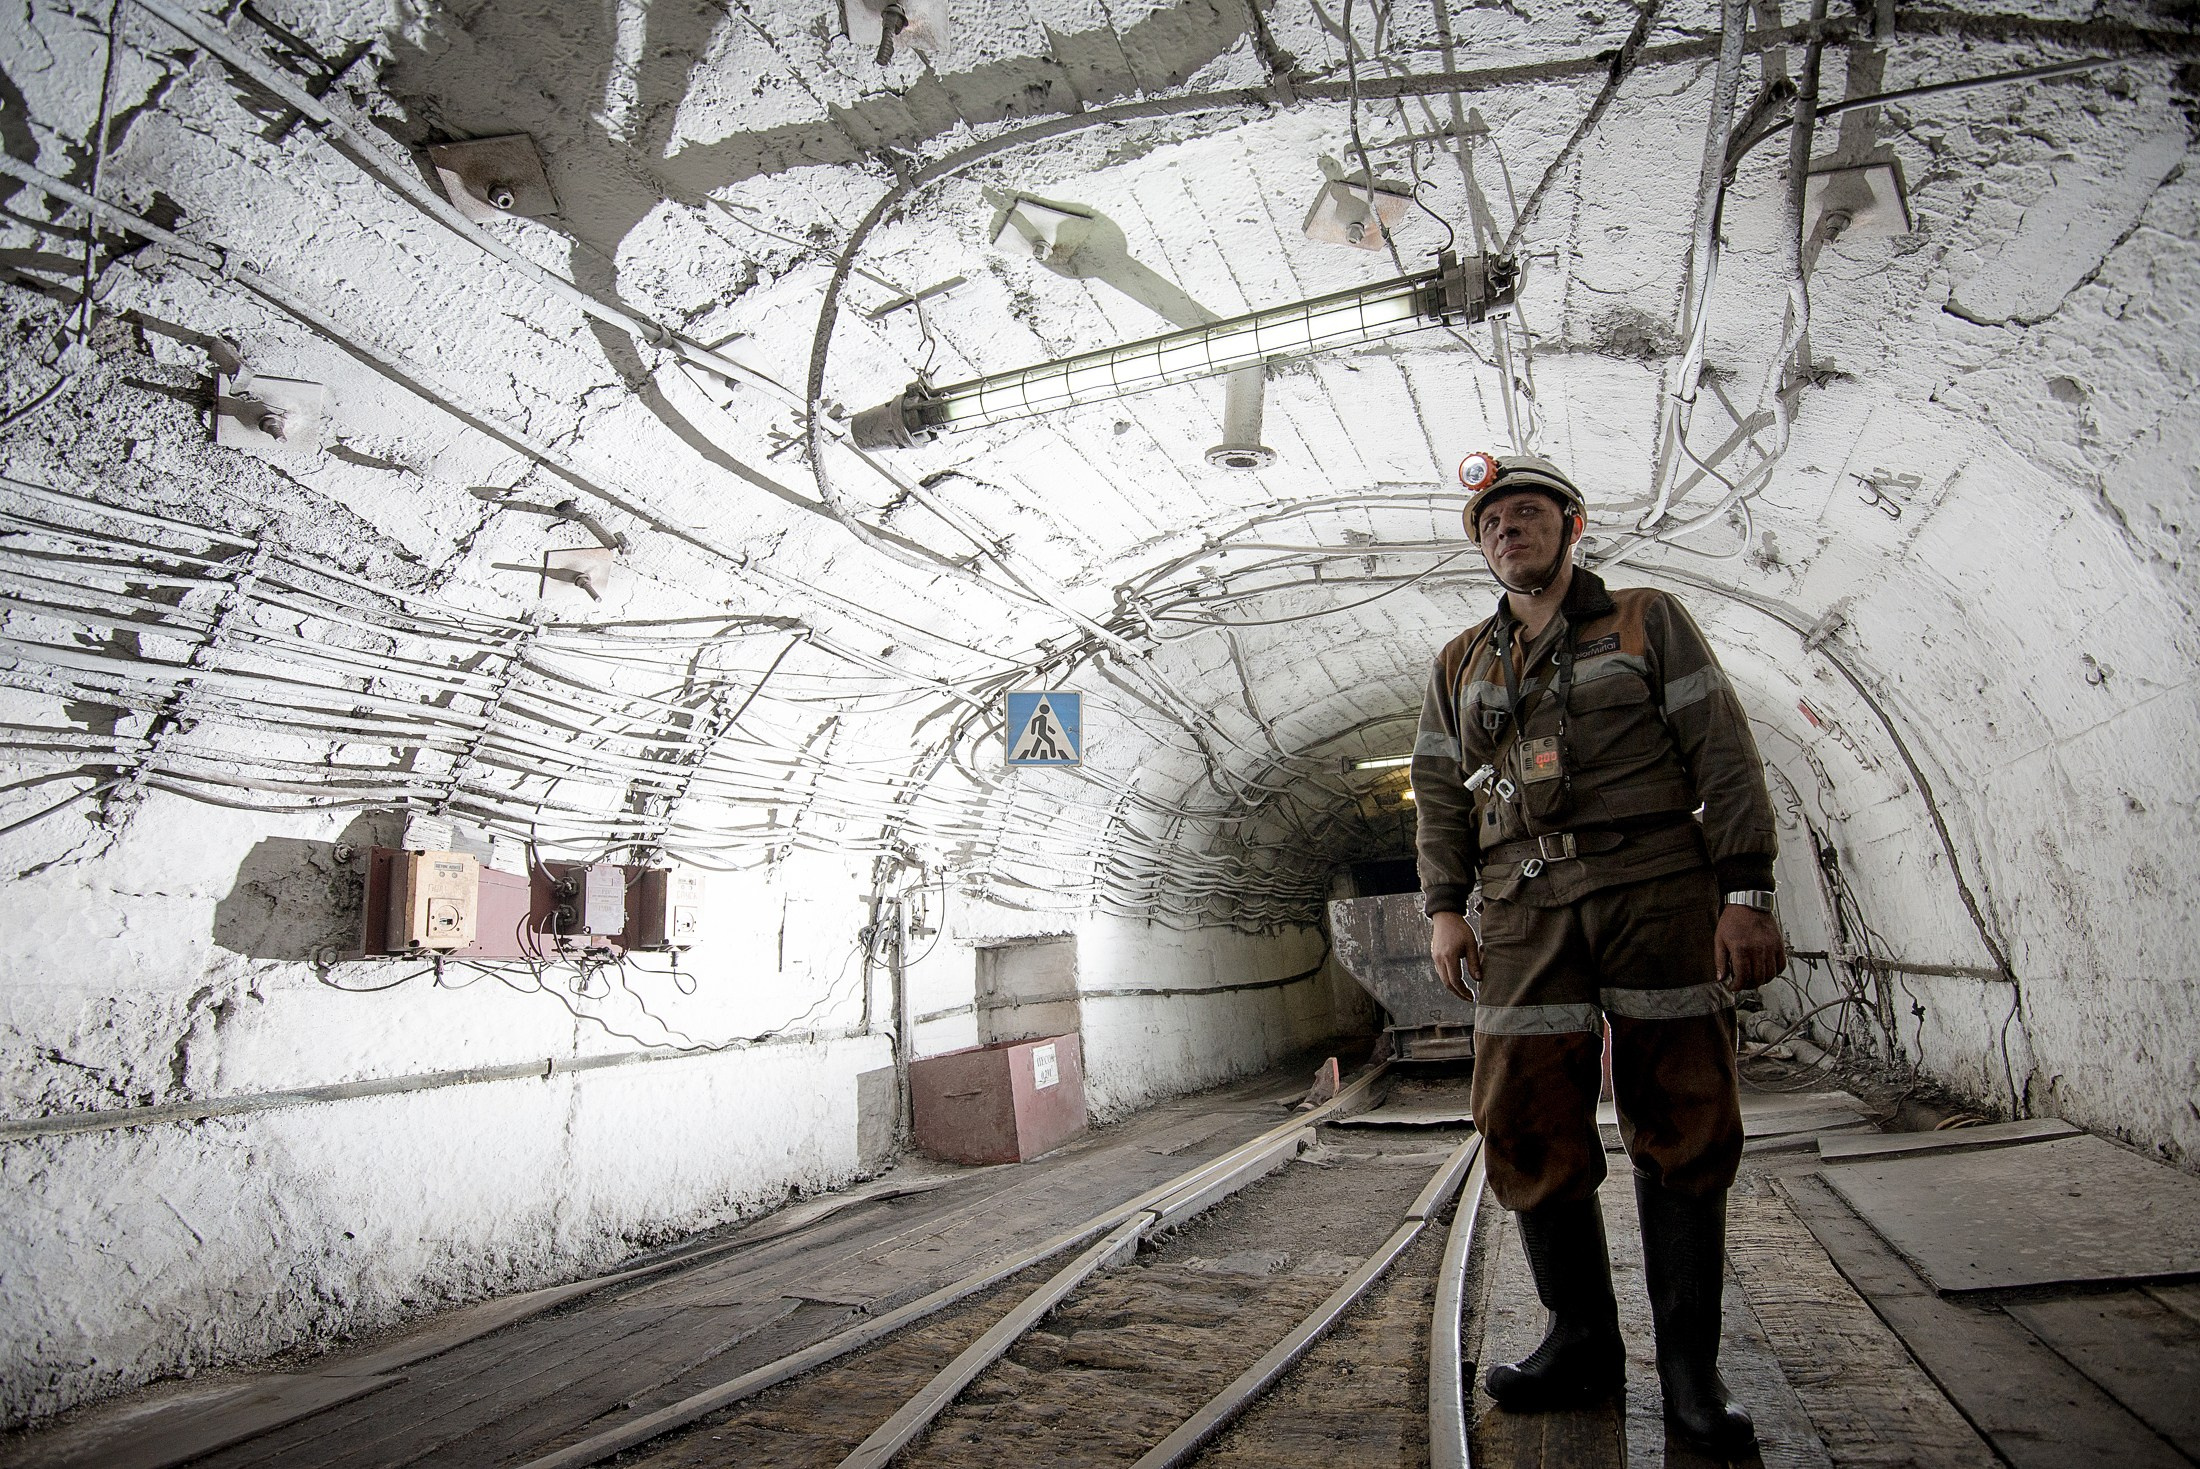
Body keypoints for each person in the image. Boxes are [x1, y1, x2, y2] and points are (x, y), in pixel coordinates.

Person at [1410, 452, 1786, 1455]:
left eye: (1527, 514)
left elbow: (1720, 746)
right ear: (1478, 543)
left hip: (1656, 890)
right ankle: (1578, 1339)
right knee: (1523, 1114)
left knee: (1683, 1110)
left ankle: (1690, 1372)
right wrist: (1444, 907)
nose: (1507, 532)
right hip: (1524, 911)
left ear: (1570, 526)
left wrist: (1744, 892)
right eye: (1491, 523)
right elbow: (1442, 790)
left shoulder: (1645, 620)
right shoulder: (1460, 662)